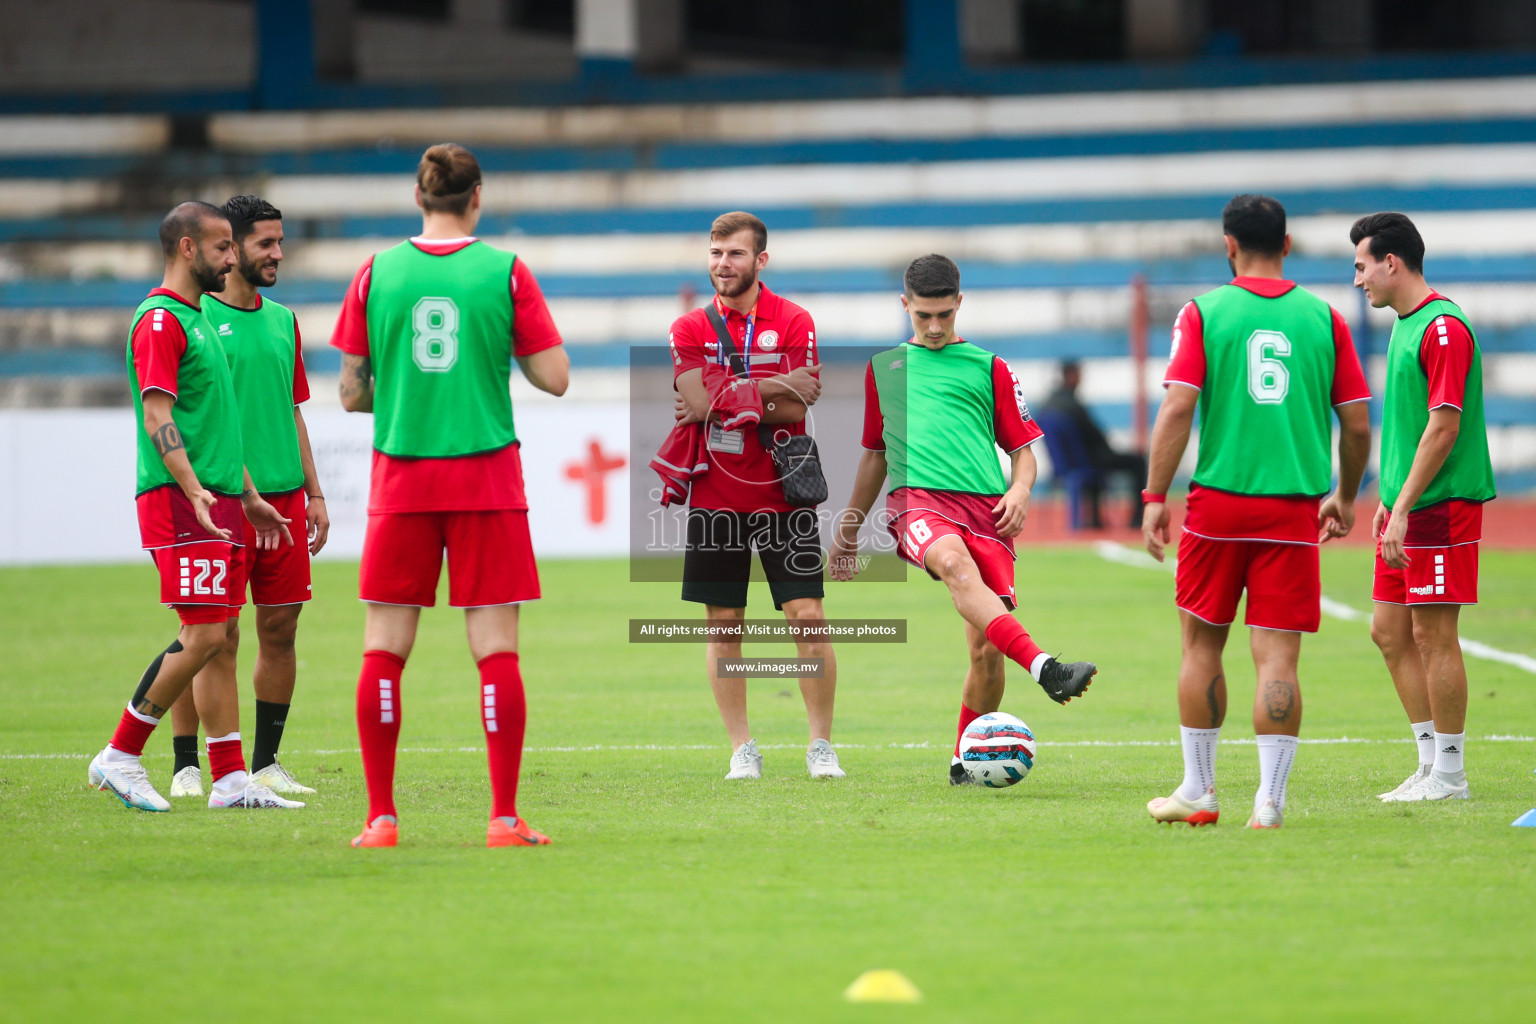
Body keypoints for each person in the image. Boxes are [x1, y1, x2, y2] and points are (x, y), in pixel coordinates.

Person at [332, 143, 569, 849]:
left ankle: (380, 819)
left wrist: (410, 395)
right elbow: (554, 377)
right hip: (486, 479)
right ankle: (502, 818)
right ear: (477, 198)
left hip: (402, 476)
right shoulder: (504, 271)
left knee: (384, 646)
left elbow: (349, 393)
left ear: (418, 196)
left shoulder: (377, 271)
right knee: (495, 649)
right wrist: (494, 358)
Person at [1142, 194, 1371, 829]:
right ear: (1288, 245)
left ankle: (1200, 789)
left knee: (1201, 645)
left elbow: (1178, 408)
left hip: (1218, 506)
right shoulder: (1325, 319)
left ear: (1228, 245)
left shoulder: (1204, 312)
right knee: (1278, 658)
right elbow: (1356, 424)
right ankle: (1268, 800)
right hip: (1293, 510)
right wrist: (1347, 496)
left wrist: (1155, 496)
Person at [829, 254, 1098, 787]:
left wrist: (1021, 490)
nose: (933, 327)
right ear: (905, 305)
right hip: (918, 502)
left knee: (985, 652)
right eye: (922, 315)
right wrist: (848, 531)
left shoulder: (989, 367)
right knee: (952, 564)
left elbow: (1023, 450)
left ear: (959, 305)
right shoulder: (885, 369)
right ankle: (1047, 668)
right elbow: (875, 455)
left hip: (986, 512)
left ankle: (962, 764)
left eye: (943, 316)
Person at [87, 201, 300, 812]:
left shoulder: (197, 316)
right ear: (187, 249)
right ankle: (122, 754)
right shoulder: (160, 321)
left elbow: (217, 423)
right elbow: (159, 415)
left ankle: (231, 779)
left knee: (221, 631)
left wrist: (250, 496)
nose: (232, 259)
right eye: (222, 249)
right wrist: (194, 488)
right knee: (205, 632)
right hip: (187, 503)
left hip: (222, 499)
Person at [166, 195, 330, 800]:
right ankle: (189, 763)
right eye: (266, 242)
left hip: (284, 502)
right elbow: (195, 420)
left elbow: (292, 412)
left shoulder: (284, 321)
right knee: (210, 630)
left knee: (280, 630)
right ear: (228, 248)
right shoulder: (196, 320)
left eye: (280, 241)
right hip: (220, 500)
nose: (278, 253)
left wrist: (313, 492)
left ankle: (263, 765)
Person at [670, 211, 842, 781]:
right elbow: (696, 402)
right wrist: (769, 385)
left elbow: (799, 405)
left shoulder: (793, 319)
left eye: (735, 254)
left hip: (784, 495)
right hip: (714, 494)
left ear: (760, 260)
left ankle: (821, 746)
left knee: (808, 616)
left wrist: (729, 392)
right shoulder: (689, 328)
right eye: (716, 252)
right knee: (725, 624)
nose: (723, 263)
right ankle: (743, 747)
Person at [1350, 212, 1496, 802]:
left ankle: (1452, 776)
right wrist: (1388, 502)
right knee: (1388, 632)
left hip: (1439, 507)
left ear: (1392, 262)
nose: (1359, 280)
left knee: (1435, 637)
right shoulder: (1404, 325)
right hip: (1405, 507)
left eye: (1362, 267)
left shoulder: (1442, 328)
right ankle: (1429, 762)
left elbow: (1443, 428)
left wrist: (1404, 503)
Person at [1040, 359, 1148, 527]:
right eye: (1079, 374)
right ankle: (1137, 519)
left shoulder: (1048, 405)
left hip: (1064, 465)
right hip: (1086, 461)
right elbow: (1095, 434)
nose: (1081, 379)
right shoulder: (1073, 405)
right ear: (1070, 375)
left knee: (1094, 460)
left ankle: (1096, 520)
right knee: (1139, 461)